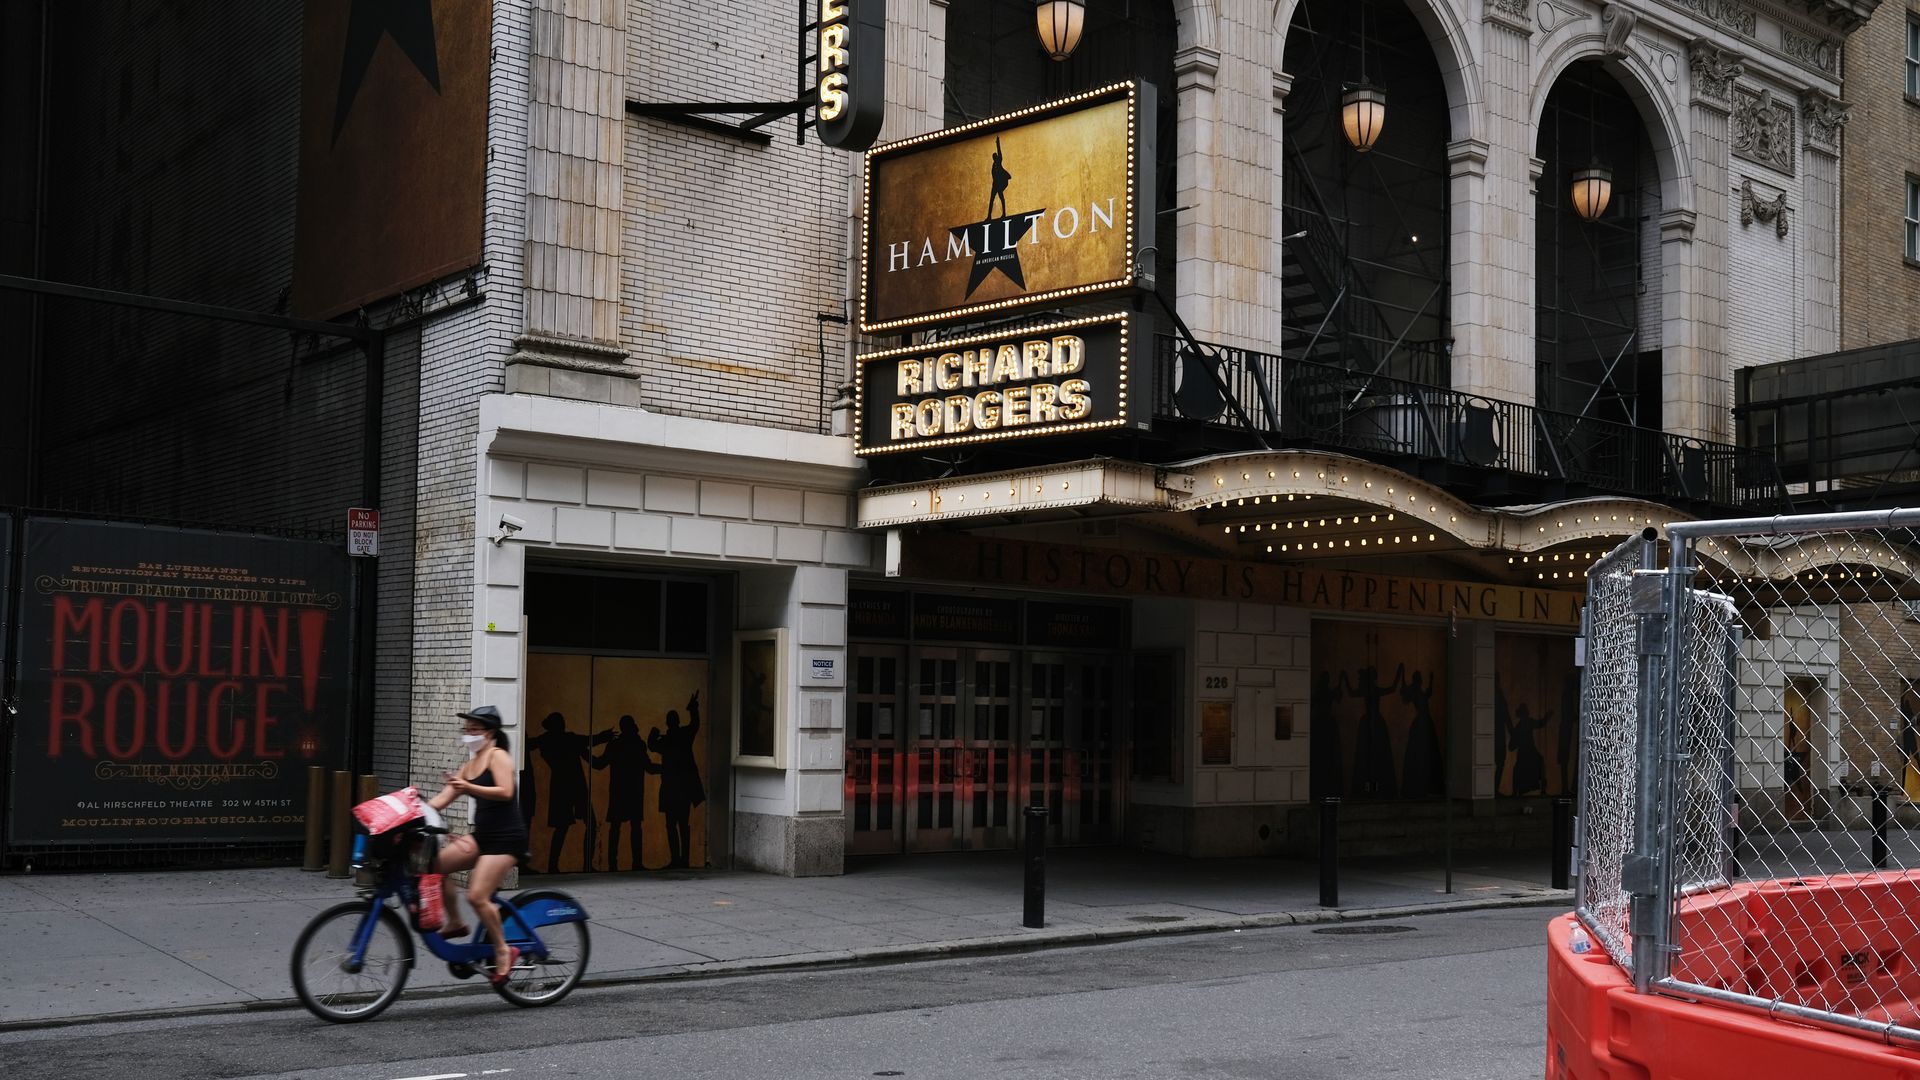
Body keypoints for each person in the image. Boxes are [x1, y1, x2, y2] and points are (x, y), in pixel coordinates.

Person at [426, 705, 527, 985]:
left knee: (476, 895)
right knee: (435, 867)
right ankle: (456, 922)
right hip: (482, 836)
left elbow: (505, 792)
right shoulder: (470, 765)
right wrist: (412, 808)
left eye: (474, 730)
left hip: (507, 839)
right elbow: (441, 800)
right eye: (466, 730)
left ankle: (504, 950)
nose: (468, 735)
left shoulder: (498, 756)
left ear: (490, 732)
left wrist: (469, 788)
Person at [528, 711, 598, 872]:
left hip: (562, 787)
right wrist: (603, 737)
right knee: (581, 825)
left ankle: (554, 866)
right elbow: (588, 742)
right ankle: (584, 865)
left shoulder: (547, 740)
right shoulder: (567, 739)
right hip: (574, 786)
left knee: (563, 827)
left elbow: (530, 744)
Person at [592, 715, 660, 871]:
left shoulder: (615, 745)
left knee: (615, 827)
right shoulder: (638, 744)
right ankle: (636, 863)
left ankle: (612, 864)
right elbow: (649, 767)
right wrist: (667, 768)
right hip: (635, 791)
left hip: (618, 791)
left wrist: (584, 753)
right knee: (635, 826)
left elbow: (599, 764)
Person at [649, 691, 706, 869]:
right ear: (677, 721)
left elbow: (651, 745)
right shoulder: (684, 735)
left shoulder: (666, 741)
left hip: (671, 789)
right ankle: (684, 859)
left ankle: (676, 859)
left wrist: (653, 733)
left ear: (668, 722)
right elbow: (695, 724)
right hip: (685, 789)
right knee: (683, 824)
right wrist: (693, 708)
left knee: (671, 825)